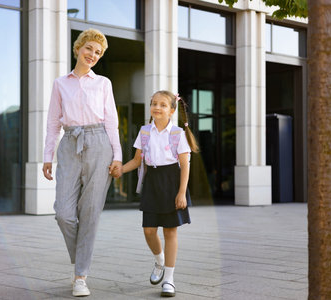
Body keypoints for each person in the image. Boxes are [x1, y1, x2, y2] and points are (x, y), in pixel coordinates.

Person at [42, 28, 122, 297]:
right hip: (69, 144)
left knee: (90, 212)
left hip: (99, 143)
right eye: (89, 49)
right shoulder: (60, 83)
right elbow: (53, 123)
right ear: (78, 48)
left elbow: (111, 121)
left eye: (98, 53)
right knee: (63, 213)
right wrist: (47, 157)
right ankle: (82, 257)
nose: (93, 55)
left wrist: (118, 155)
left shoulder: (103, 84)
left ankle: (80, 276)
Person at [111, 90, 198, 297]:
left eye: (163, 105)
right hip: (152, 183)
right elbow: (136, 160)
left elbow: (185, 166)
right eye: (154, 104)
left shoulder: (178, 134)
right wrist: (121, 169)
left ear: (172, 110)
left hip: (172, 183)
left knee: (170, 232)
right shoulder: (144, 132)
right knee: (149, 230)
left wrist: (181, 193)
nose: (157, 108)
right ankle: (159, 261)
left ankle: (169, 278)